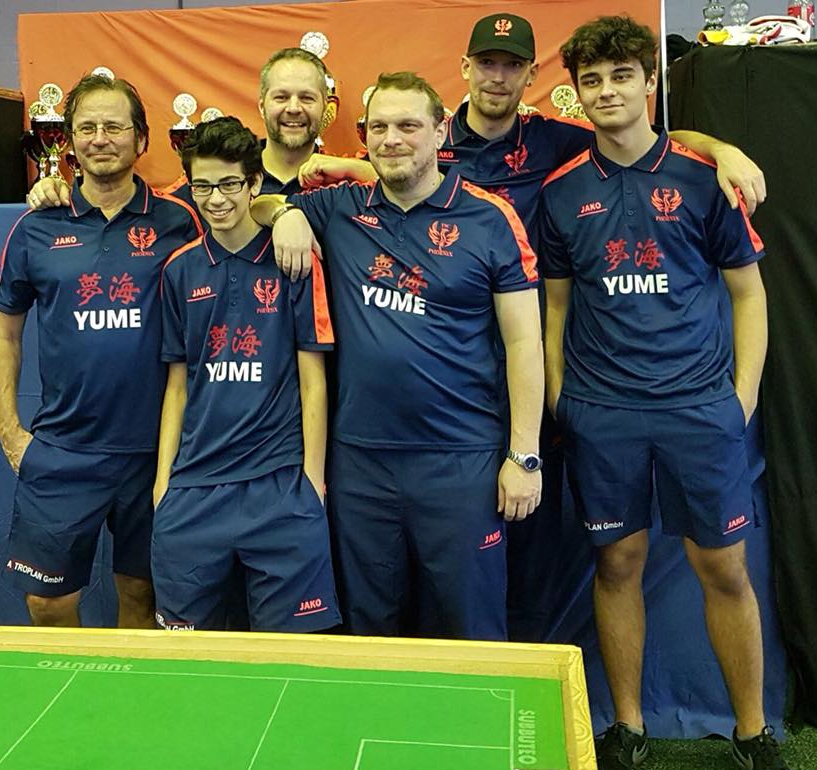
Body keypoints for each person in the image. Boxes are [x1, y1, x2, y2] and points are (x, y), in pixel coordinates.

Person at [295, 11, 769, 641]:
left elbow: (641, 137)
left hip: (506, 396)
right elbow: (365, 174)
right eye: (486, 63)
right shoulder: (414, 146)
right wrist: (299, 205)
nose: (497, 76)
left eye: (511, 65)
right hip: (406, 415)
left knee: (515, 570)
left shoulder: (558, 143)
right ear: (464, 70)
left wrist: (720, 149)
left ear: (529, 75)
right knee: (391, 599)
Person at [537, 16, 804, 770]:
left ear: (650, 82)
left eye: (622, 75)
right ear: (577, 93)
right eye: (592, 81)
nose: (607, 92)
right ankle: (628, 727)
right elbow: (554, 309)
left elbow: (748, 294)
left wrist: (740, 398)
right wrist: (561, 400)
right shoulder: (562, 191)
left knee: (723, 567)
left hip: (698, 410)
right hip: (603, 413)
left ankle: (753, 735)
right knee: (616, 563)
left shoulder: (703, 177)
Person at [252, 71, 543, 640]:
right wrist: (285, 215)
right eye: (379, 128)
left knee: (472, 629)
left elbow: (524, 343)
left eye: (408, 126)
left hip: (460, 459)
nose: (391, 140)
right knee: (370, 630)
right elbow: (259, 203)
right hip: (361, 462)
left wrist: (524, 456)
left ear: (440, 131)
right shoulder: (339, 207)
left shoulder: (488, 217)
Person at [0, 73, 202, 628]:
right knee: (46, 603)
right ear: (69, 140)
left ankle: (130, 689)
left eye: (114, 126)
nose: (100, 138)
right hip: (64, 450)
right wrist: (10, 432)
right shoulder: (38, 225)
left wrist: (282, 212)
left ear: (142, 139)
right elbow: (5, 333)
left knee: (143, 597)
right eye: (87, 128)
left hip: (157, 452)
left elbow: (250, 209)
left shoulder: (180, 221)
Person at [151, 117, 340, 632]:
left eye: (229, 184)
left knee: (293, 658)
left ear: (255, 183)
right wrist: (164, 484)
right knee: (185, 660)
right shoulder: (179, 269)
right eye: (203, 186)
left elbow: (313, 380)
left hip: (280, 487)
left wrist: (312, 482)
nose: (216, 199)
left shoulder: (293, 260)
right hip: (194, 489)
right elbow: (178, 385)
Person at [27, 47, 332, 209]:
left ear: (326, 106)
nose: (294, 108)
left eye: (307, 98)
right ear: (262, 105)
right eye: (281, 97)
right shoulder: (206, 182)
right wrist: (55, 186)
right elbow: (132, 200)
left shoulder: (345, 183)